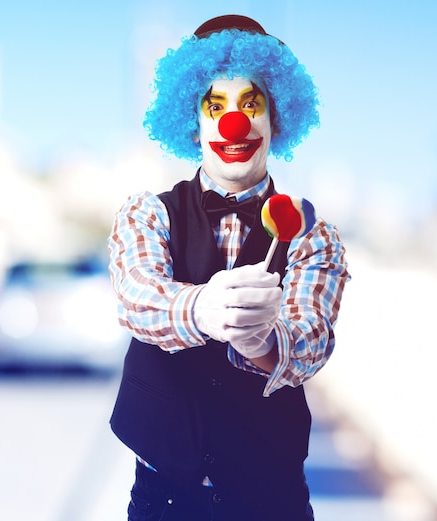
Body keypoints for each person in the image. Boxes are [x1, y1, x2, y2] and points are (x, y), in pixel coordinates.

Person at [107, 14, 350, 521]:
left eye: (251, 105)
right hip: (164, 500)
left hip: (271, 499)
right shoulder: (148, 214)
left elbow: (311, 340)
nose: (233, 124)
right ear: (192, 123)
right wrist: (201, 308)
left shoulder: (312, 235)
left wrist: (263, 342)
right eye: (215, 107)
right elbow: (136, 296)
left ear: (276, 118)